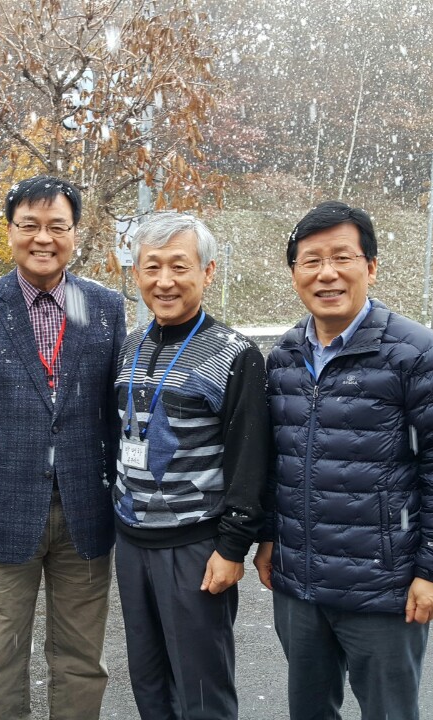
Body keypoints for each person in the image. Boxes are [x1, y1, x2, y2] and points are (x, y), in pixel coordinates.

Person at [255, 201, 433, 720]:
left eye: (342, 257)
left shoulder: (418, 354)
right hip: (299, 584)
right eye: (311, 261)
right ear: (294, 272)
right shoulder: (285, 356)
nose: (326, 273)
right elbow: (274, 461)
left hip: (385, 589)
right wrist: (269, 536)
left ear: (371, 267)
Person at [0, 174, 126, 720]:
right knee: (0, 655)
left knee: (81, 658)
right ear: (10, 231)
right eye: (29, 225)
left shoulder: (105, 305)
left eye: (57, 226)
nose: (43, 238)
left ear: (74, 234)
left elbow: (114, 413)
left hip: (86, 509)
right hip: (0, 510)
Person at [112, 212, 270, 719]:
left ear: (208, 272)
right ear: (136, 273)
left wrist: (232, 547)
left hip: (195, 545)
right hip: (132, 540)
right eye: (152, 267)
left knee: (201, 689)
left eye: (179, 266)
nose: (164, 281)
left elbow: (250, 460)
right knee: (149, 681)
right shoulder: (131, 344)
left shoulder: (235, 353)